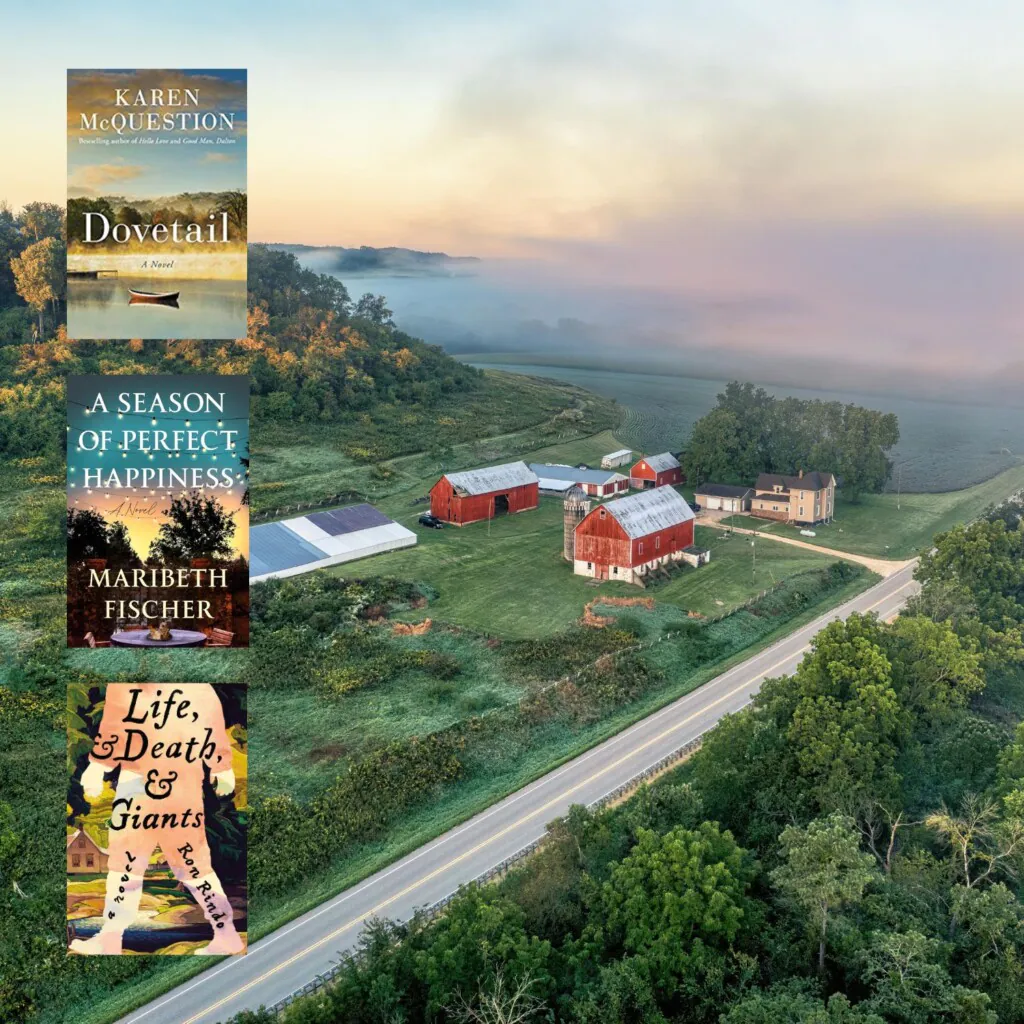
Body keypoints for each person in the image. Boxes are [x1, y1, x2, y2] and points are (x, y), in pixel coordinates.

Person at [69, 683, 245, 956]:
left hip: (161, 785)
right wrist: (221, 766)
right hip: (167, 785)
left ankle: (224, 933)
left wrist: (98, 766)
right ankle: (224, 932)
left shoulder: (185, 689)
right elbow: (115, 729)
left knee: (147, 862)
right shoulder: (194, 689)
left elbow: (115, 731)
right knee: (166, 862)